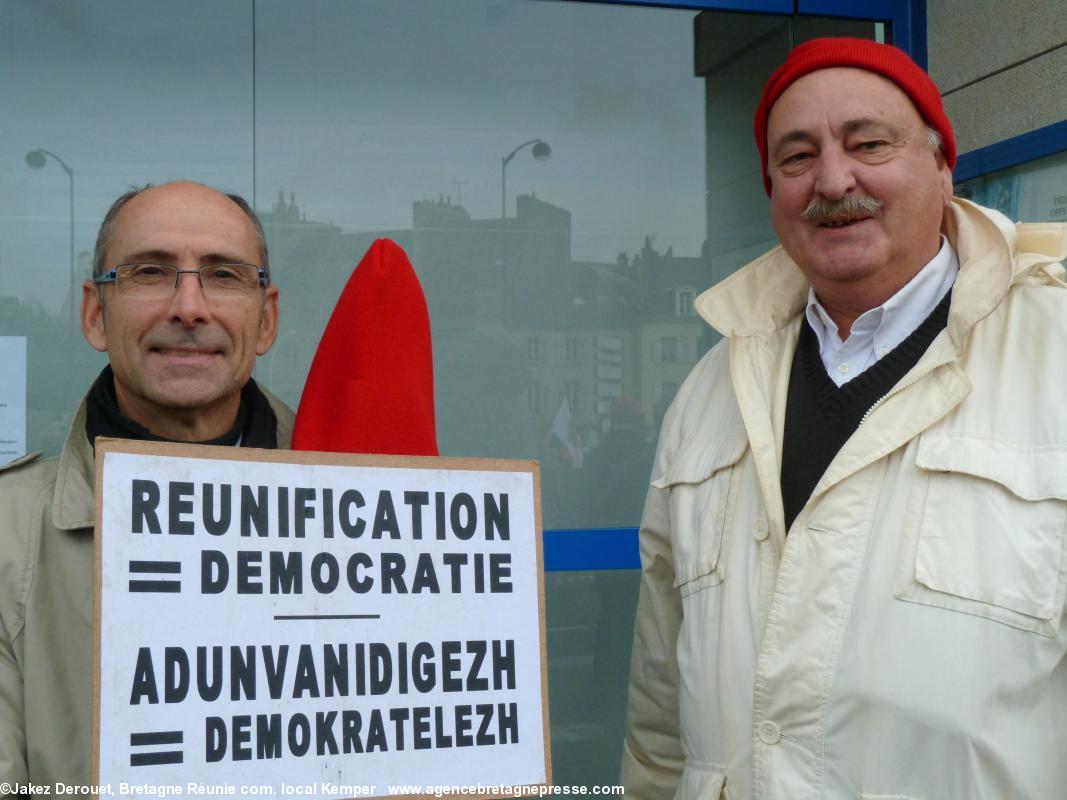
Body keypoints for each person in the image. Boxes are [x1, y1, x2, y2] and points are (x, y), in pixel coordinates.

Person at [621, 38, 1067, 799]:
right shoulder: (707, 391)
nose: (832, 179)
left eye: (868, 144)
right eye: (796, 158)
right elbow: (661, 711)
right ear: (770, 190)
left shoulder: (1053, 354)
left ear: (940, 165)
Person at [0, 181, 293, 783]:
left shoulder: (373, 508)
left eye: (225, 275)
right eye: (150, 272)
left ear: (265, 320)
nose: (189, 307)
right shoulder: (7, 537)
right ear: (94, 314)